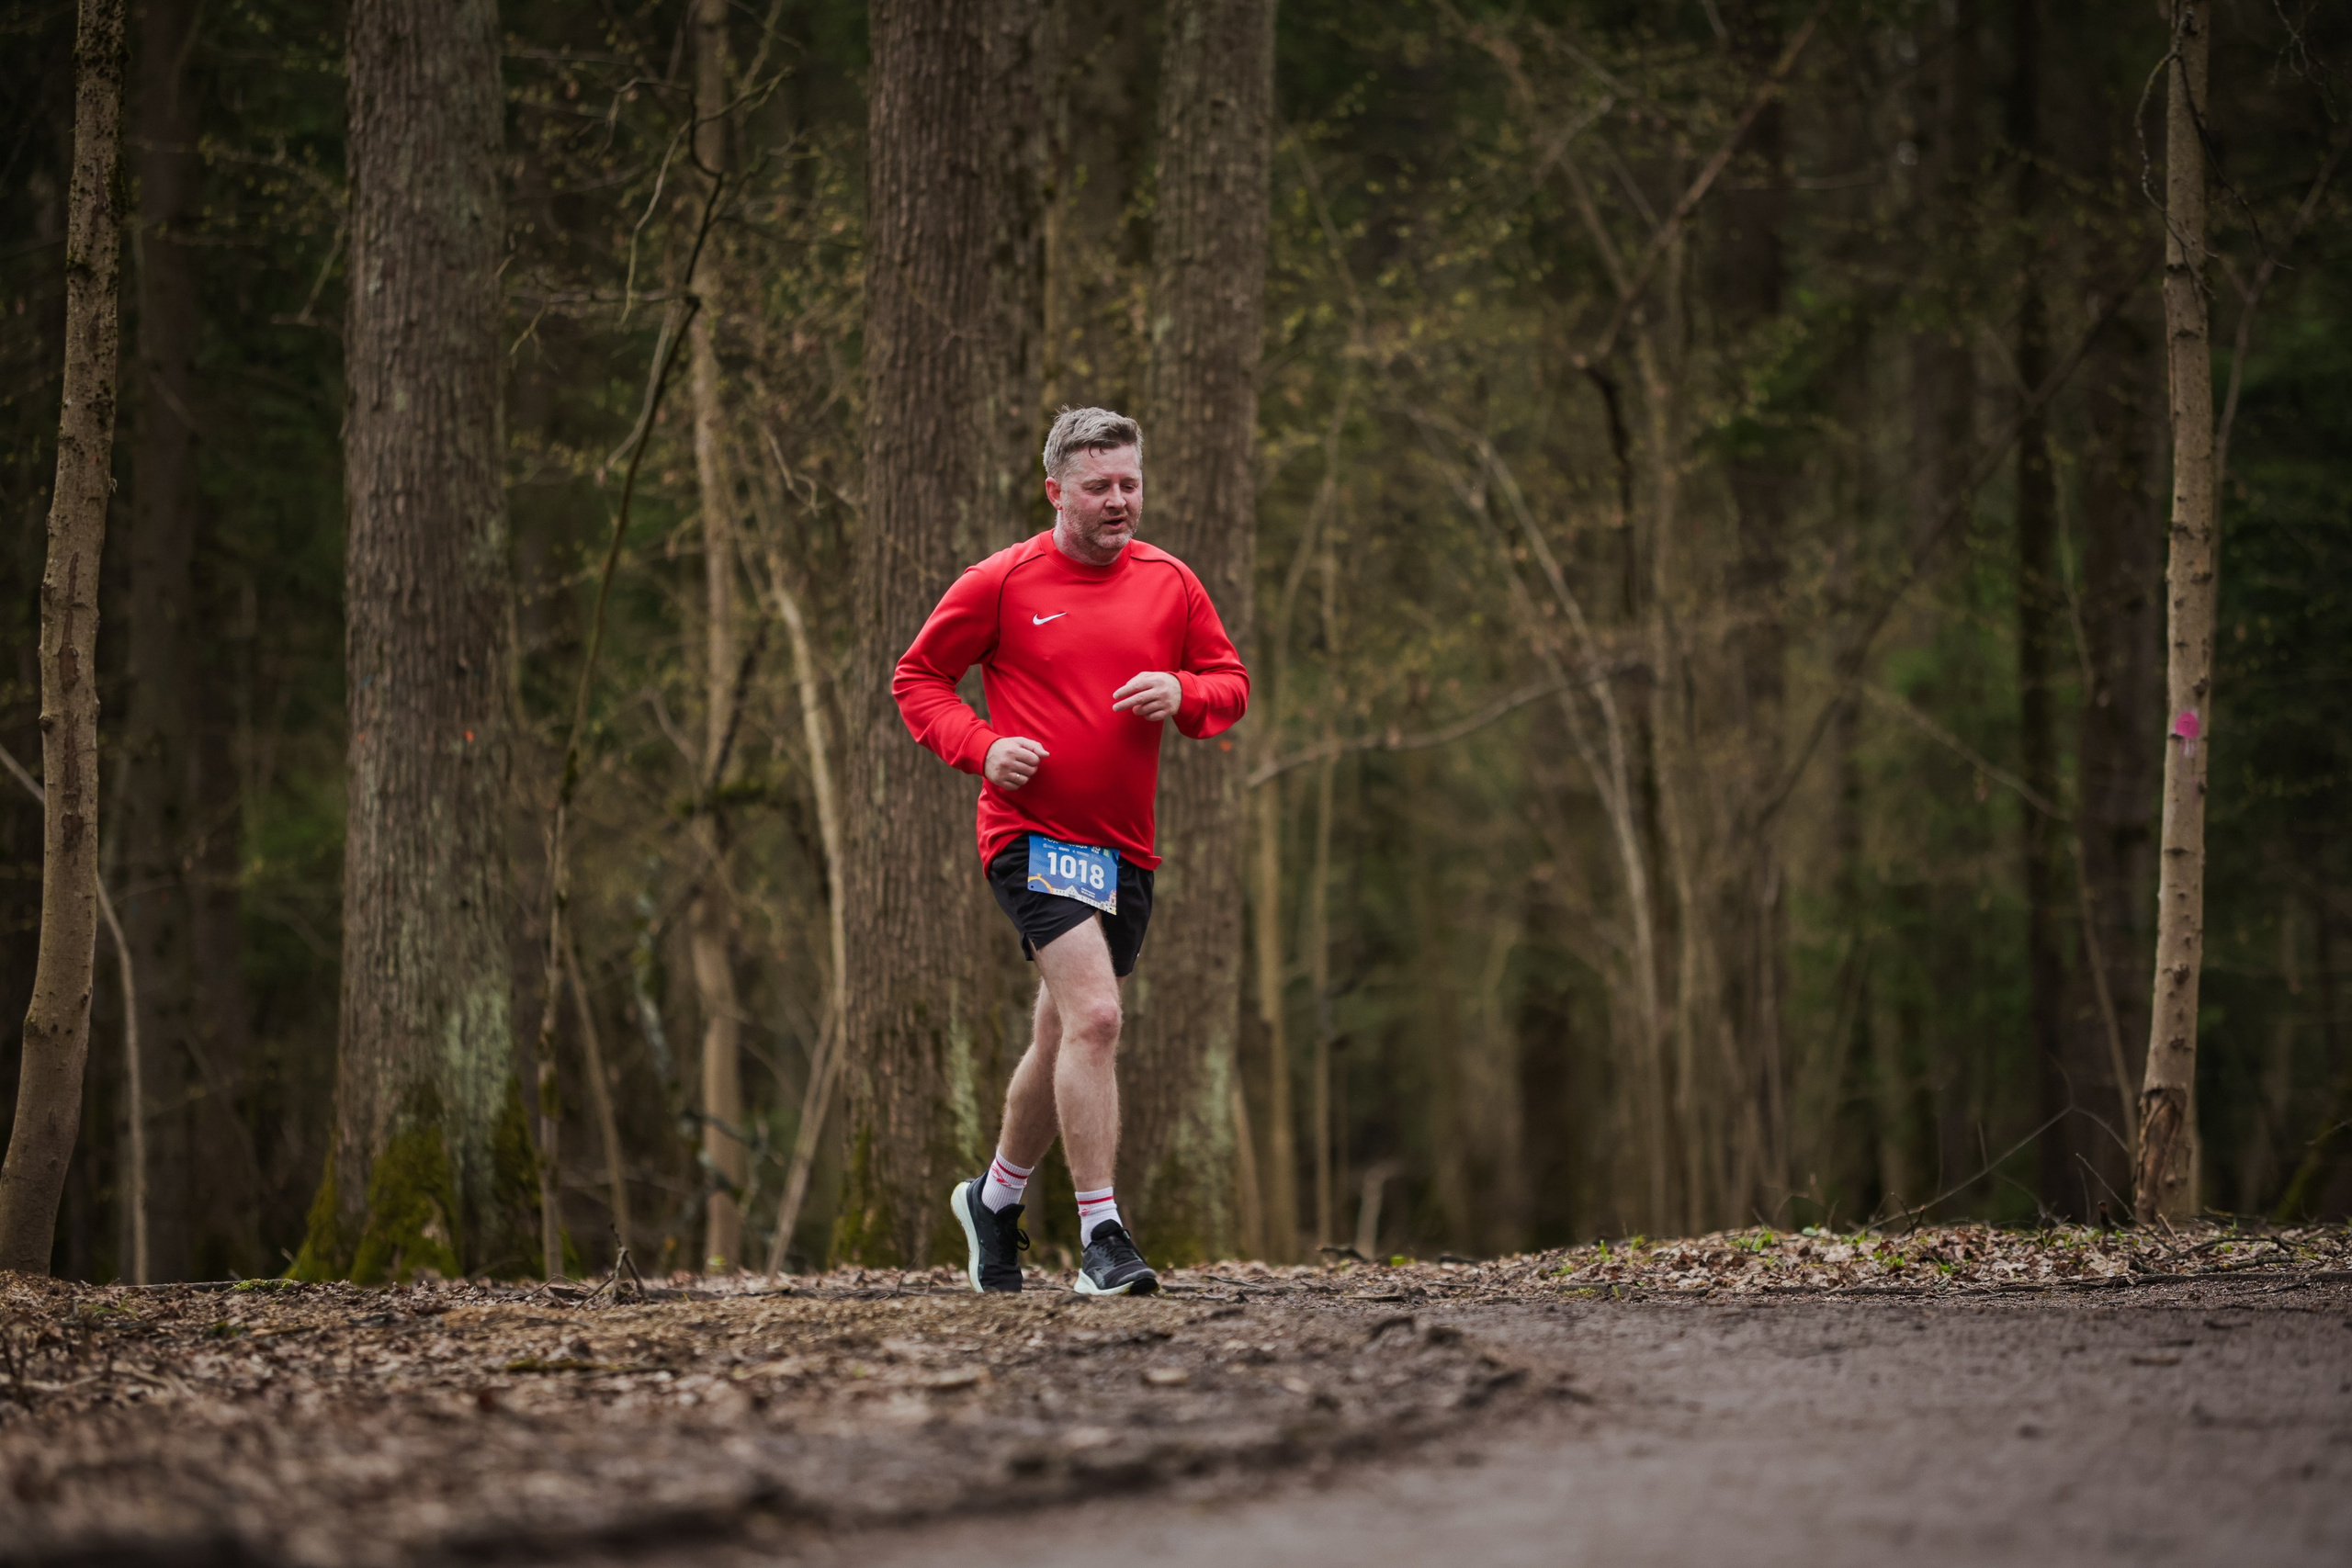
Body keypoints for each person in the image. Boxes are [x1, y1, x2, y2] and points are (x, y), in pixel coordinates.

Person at [892, 407, 1250, 1295]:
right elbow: (918, 678)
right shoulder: (1001, 581)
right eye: (1099, 487)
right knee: (1096, 1016)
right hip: (1030, 835)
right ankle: (1103, 1237)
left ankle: (993, 1200)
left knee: (1061, 1030)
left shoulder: (1171, 582)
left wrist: (1183, 689)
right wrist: (981, 747)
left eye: (1130, 483)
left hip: (1124, 848)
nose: (1119, 500)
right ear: (1056, 490)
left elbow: (1231, 684)